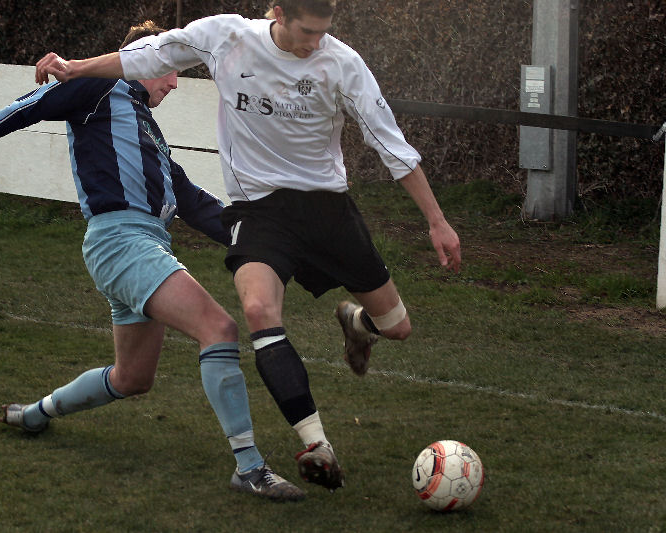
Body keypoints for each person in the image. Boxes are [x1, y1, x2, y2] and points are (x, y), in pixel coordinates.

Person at [33, 0, 461, 493]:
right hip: (259, 210)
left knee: (398, 327)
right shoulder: (227, 38)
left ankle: (358, 323)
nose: (314, 43)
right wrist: (74, 68)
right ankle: (315, 444)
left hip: (328, 212)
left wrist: (437, 220)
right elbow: (149, 54)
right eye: (306, 32)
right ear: (277, 12)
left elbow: (392, 146)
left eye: (323, 33)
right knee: (257, 310)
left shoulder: (342, 64)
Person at [0, 21, 306, 503]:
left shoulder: (150, 133)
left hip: (142, 246)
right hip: (121, 243)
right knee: (219, 329)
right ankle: (249, 467)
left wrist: (270, 243)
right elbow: (29, 107)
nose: (175, 82)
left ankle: (34, 414)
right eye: (172, 71)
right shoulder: (99, 87)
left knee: (132, 378)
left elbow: (200, 207)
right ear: (148, 61)